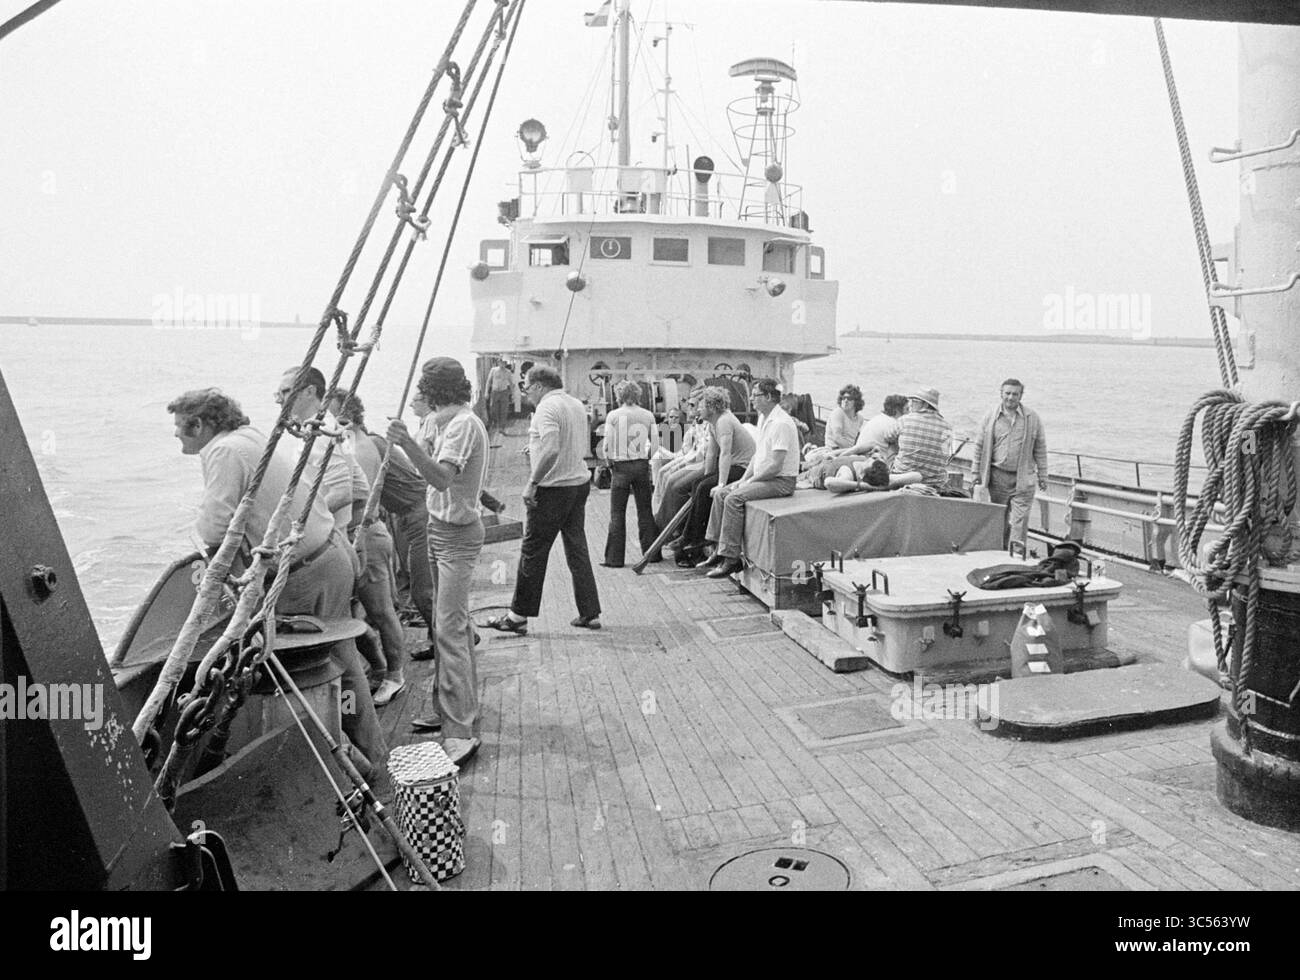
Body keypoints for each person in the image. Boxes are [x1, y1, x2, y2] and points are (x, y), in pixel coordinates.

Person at [168, 387, 388, 778]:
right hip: (329, 552)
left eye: (181, 428)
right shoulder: (252, 437)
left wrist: (217, 570)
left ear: (200, 424)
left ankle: (358, 769)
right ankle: (372, 756)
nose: (176, 436)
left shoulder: (222, 451)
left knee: (316, 666)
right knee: (343, 657)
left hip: (307, 572)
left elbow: (216, 525)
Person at [386, 358, 488, 766]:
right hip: (436, 528)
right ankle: (452, 706)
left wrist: (405, 442)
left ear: (433, 391)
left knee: (448, 628)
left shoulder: (463, 424)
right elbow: (425, 470)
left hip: (458, 537)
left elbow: (442, 478)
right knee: (446, 622)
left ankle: (460, 731)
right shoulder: (441, 423)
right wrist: (416, 437)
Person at [485, 365, 602, 634]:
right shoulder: (573, 403)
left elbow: (551, 448)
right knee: (577, 550)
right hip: (577, 484)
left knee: (533, 552)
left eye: (526, 387)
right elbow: (565, 442)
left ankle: (517, 617)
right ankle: (590, 612)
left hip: (552, 490)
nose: (526, 393)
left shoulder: (546, 409)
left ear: (538, 385)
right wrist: (535, 447)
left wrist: (532, 482)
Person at [323, 391, 407, 706]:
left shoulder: (357, 448)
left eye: (334, 419)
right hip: (358, 536)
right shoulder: (355, 443)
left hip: (366, 536)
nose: (330, 425)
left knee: (382, 612)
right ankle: (381, 667)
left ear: (346, 419)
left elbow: (360, 496)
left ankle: (394, 677)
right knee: (356, 614)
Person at [697, 378, 800, 579]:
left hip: (780, 481)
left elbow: (776, 465)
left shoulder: (781, 423)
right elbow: (757, 456)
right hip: (765, 477)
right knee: (721, 493)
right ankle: (718, 549)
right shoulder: (764, 418)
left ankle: (731, 559)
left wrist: (749, 483)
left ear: (769, 397)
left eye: (756, 395)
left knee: (733, 498)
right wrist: (742, 479)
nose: (751, 399)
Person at [675, 385, 755, 567]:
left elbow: (725, 453)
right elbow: (712, 454)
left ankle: (695, 537)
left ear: (711, 407)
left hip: (744, 467)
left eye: (701, 406)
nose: (698, 409)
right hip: (733, 465)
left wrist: (719, 483)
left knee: (704, 487)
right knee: (699, 484)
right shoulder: (713, 423)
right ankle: (690, 536)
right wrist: (706, 478)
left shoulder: (724, 421)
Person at [970, 378, 1048, 548]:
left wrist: (1043, 475)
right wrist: (975, 472)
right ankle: (1000, 551)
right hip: (997, 477)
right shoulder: (990, 417)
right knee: (1000, 518)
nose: (1011, 397)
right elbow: (979, 446)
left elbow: (1040, 448)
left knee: (1020, 520)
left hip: (1023, 478)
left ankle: (1016, 554)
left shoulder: (1032, 418)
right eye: (1007, 393)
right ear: (1001, 393)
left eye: (1015, 394)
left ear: (1021, 396)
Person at [600, 379, 660, 567]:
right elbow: (656, 444)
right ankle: (652, 554)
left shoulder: (614, 415)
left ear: (619, 396)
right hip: (641, 465)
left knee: (617, 513)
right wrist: (646, 459)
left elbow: (607, 445)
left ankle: (614, 559)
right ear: (638, 395)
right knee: (645, 511)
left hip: (621, 467)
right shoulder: (648, 415)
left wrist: (610, 464)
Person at [803, 394, 908, 488]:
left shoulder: (878, 418)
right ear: (897, 411)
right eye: (907, 409)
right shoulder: (894, 425)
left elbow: (856, 448)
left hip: (850, 458)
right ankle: (812, 455)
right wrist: (863, 486)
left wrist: (836, 455)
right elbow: (830, 482)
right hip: (867, 465)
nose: (909, 413)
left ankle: (812, 454)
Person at [893, 386, 954, 490]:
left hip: (902, 477)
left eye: (914, 401)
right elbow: (945, 455)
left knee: (891, 445)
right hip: (935, 482)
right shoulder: (948, 427)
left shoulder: (904, 420)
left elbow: (889, 438)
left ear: (925, 404)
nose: (910, 404)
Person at [824, 384, 865, 449]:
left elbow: (857, 439)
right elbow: (837, 438)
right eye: (843, 398)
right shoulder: (838, 413)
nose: (845, 401)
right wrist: (853, 451)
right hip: (833, 450)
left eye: (849, 398)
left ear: (856, 401)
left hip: (848, 451)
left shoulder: (860, 419)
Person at [486, 358, 514, 437]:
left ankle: (502, 428)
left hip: (504, 392)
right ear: (498, 363)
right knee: (493, 409)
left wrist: (513, 394)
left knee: (504, 410)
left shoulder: (508, 372)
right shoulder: (493, 370)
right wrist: (486, 392)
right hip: (494, 392)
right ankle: (497, 424)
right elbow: (488, 381)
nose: (502, 364)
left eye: (504, 363)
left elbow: (511, 384)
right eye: (501, 362)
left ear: (505, 363)